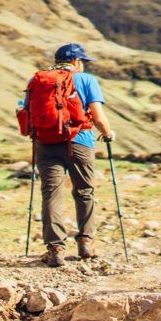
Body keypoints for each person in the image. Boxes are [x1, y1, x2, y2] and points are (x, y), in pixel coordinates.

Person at [25, 43, 115, 267]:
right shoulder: (86, 80)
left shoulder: (37, 79)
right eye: (83, 61)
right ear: (76, 61)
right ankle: (86, 242)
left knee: (51, 193)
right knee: (84, 191)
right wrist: (108, 134)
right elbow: (98, 116)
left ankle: (55, 248)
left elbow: (26, 110)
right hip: (80, 141)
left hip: (46, 143)